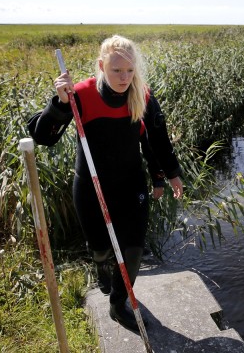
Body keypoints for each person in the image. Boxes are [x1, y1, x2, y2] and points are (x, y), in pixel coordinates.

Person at [27, 35, 183, 332]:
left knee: (134, 250)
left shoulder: (143, 96)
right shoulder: (81, 94)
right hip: (90, 188)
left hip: (130, 186)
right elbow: (43, 136)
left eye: (130, 70)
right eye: (116, 71)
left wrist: (170, 173)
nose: (124, 78)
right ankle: (101, 266)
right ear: (101, 66)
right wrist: (61, 103)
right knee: (99, 248)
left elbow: (159, 142)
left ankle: (118, 305)